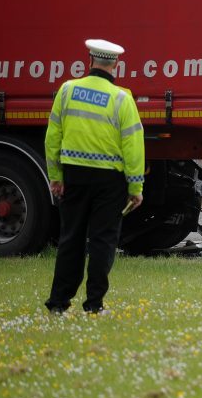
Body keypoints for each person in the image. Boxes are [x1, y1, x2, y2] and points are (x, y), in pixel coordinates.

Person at [44, 39, 145, 314]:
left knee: (70, 239)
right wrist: (136, 187)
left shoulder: (66, 91)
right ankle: (94, 305)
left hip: (73, 175)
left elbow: (52, 138)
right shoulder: (122, 98)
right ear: (116, 66)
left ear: (89, 61)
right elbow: (133, 147)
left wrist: (56, 175)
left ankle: (58, 304)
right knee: (102, 241)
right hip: (109, 181)